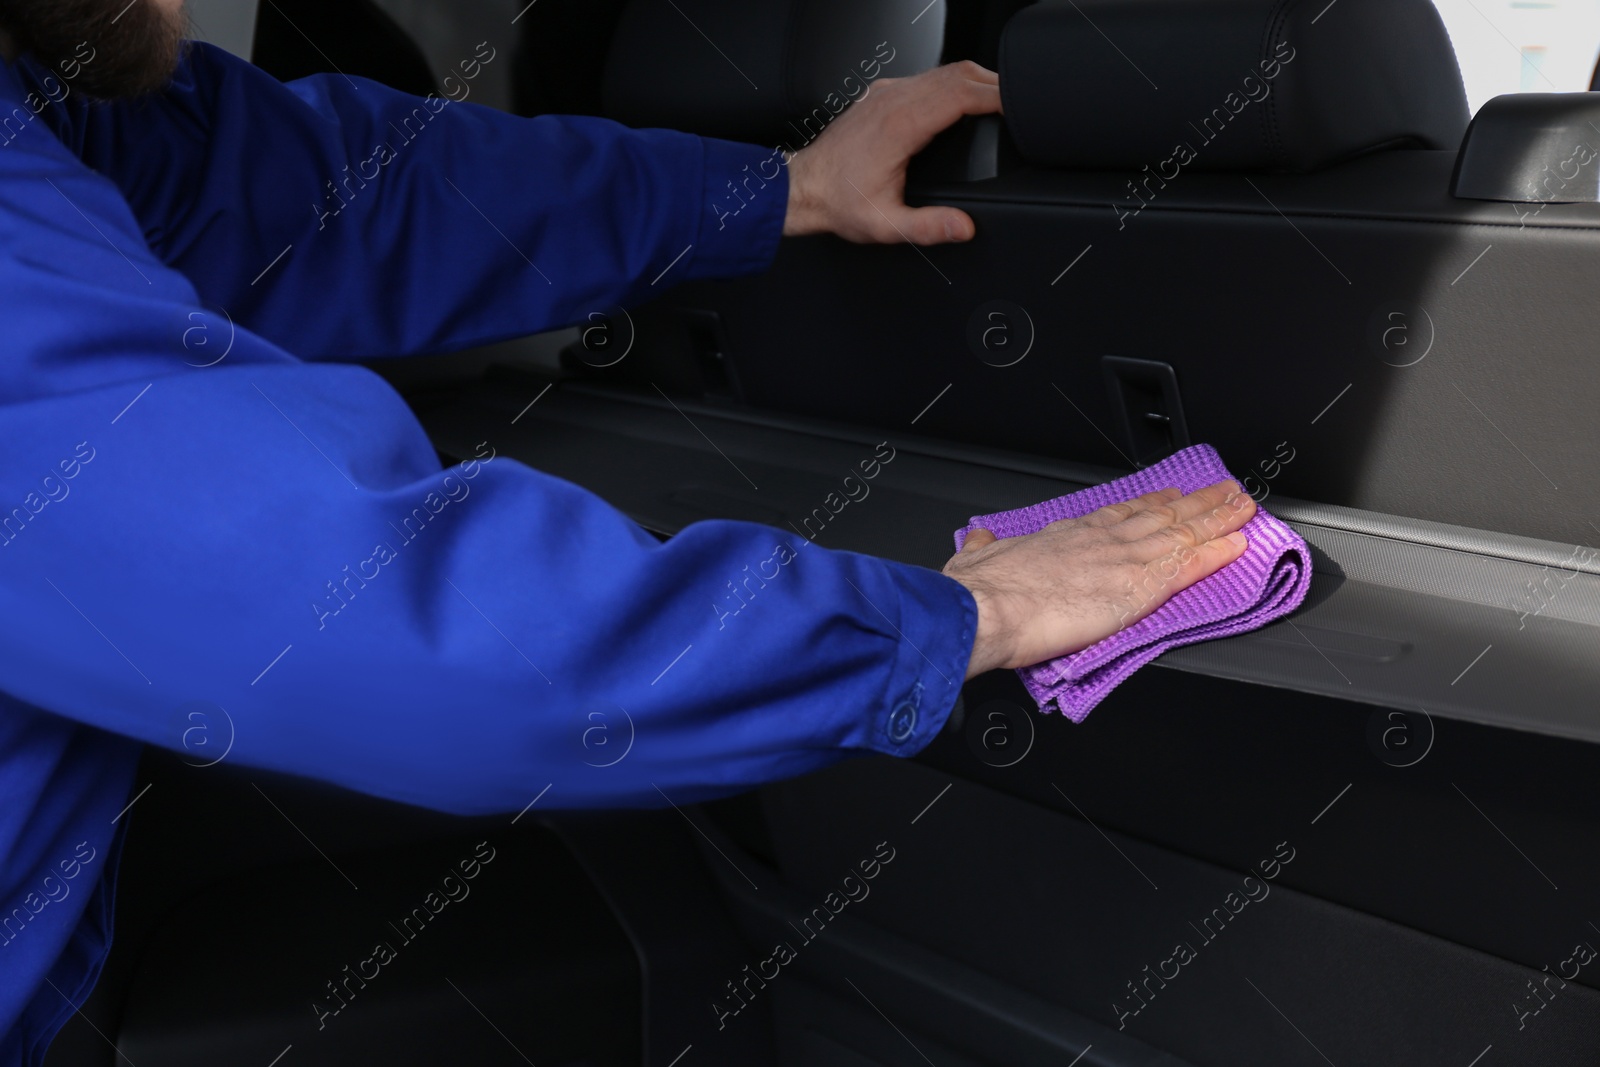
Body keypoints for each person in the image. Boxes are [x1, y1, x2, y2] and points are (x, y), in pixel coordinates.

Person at [0, 0, 1256, 1059]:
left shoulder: (46, 102)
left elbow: (323, 195)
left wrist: (778, 190)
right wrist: (960, 614)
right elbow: (379, 616)